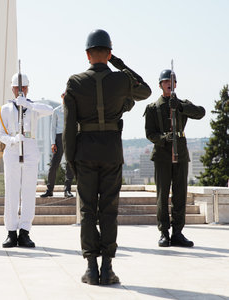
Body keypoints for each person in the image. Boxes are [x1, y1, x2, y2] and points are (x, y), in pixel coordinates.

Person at [63, 29, 151, 285]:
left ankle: (91, 268)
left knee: (88, 211)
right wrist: (119, 65)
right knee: (109, 210)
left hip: (85, 153)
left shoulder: (75, 82)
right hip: (112, 152)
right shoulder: (122, 80)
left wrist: (71, 161)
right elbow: (144, 90)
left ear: (88, 55)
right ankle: (107, 268)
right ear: (109, 53)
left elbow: (69, 127)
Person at [144, 69, 205, 248]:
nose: (169, 84)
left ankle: (177, 232)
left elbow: (200, 112)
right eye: (165, 82)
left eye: (171, 82)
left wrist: (179, 106)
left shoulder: (181, 104)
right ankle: (164, 232)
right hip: (162, 154)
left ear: (176, 84)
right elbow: (150, 133)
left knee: (180, 195)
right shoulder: (153, 108)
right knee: (163, 195)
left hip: (181, 153)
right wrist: (163, 139)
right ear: (160, 85)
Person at [0, 72, 53, 248]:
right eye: (18, 88)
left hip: (29, 147)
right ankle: (11, 232)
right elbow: (0, 134)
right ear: (13, 89)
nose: (21, 90)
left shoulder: (33, 107)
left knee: (28, 193)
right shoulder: (5, 109)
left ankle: (25, 232)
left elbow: (49, 110)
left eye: (24, 88)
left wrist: (28, 104)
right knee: (12, 192)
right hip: (13, 148)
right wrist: (12, 140)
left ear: (28, 89)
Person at [40, 92, 74, 198]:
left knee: (70, 165)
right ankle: (49, 190)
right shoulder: (56, 111)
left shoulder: (73, 110)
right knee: (54, 164)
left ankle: (67, 190)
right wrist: (52, 143)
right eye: (64, 96)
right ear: (62, 97)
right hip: (59, 138)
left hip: (70, 137)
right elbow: (52, 128)